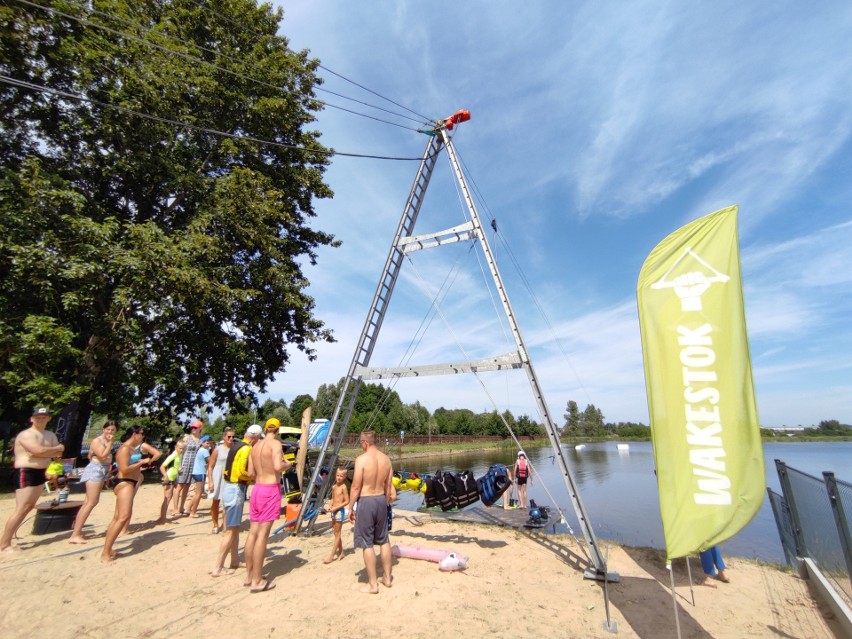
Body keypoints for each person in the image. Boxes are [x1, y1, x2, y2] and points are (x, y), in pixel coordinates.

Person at [1, 407, 64, 552]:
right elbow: (38, 451)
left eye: (44, 416)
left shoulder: (50, 435)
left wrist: (44, 452)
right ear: (32, 419)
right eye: (38, 417)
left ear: (48, 418)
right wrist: (48, 451)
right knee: (21, 508)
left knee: (29, 507)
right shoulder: (26, 435)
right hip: (26, 471)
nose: (41, 419)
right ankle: (4, 543)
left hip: (41, 471)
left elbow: (58, 453)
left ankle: (7, 540)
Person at [243, 419, 291, 593]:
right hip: (270, 489)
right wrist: (289, 464)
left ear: (265, 429)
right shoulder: (275, 444)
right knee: (263, 535)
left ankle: (249, 575)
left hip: (256, 489)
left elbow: (250, 473)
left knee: (253, 533)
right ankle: (257, 580)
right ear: (277, 429)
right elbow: (278, 466)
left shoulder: (255, 446)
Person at [100, 426, 160, 562]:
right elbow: (124, 469)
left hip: (130, 481)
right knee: (123, 517)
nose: (143, 436)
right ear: (134, 434)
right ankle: (105, 553)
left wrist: (144, 462)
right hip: (124, 482)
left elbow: (156, 454)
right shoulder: (125, 449)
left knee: (117, 518)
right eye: (142, 434)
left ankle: (108, 549)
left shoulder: (133, 448)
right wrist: (141, 462)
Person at [211, 424, 261, 578]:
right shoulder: (246, 448)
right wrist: (254, 477)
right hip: (235, 489)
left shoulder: (236, 446)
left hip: (229, 487)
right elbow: (241, 471)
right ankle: (218, 567)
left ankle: (234, 560)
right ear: (254, 436)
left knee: (235, 527)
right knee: (230, 530)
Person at [348, 430, 394, 594]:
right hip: (381, 500)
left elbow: (355, 486)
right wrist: (385, 503)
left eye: (361, 442)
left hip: (366, 500)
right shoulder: (386, 459)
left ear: (365, 442)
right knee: (384, 540)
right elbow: (388, 486)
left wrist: (350, 506)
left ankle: (373, 585)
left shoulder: (361, 460)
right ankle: (387, 578)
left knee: (367, 543)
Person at [69, 420, 118, 543]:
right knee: (91, 502)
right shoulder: (98, 441)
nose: (110, 432)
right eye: (108, 429)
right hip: (95, 469)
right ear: (103, 429)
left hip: (103, 469)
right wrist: (111, 443)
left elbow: (92, 455)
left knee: (89, 502)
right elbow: (101, 455)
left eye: (112, 430)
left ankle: (76, 529)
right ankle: (75, 534)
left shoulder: (106, 442)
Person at [174, 419, 204, 515]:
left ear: (200, 428)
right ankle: (175, 508)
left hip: (193, 465)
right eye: (192, 427)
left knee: (187, 486)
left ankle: (181, 507)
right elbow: (178, 451)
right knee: (179, 486)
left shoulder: (201, 439)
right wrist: (178, 465)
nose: (193, 429)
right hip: (184, 463)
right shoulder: (187, 438)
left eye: (195, 427)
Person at [206, 428, 233, 533]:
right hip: (217, 476)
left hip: (228, 477)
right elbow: (210, 466)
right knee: (216, 501)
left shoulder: (234, 449)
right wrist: (210, 481)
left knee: (227, 502)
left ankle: (225, 525)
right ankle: (215, 524)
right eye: (229, 436)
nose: (231, 439)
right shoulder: (218, 449)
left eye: (232, 437)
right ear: (224, 437)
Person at [324, 468, 350, 563]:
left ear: (345, 477)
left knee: (338, 533)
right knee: (335, 533)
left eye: (341, 476)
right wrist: (330, 506)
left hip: (339, 511)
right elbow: (332, 498)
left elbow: (347, 501)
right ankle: (341, 552)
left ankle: (331, 555)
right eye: (338, 475)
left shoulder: (343, 487)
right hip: (333, 511)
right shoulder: (334, 486)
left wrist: (336, 507)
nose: (339, 477)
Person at [157, 440, 184, 523]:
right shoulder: (173, 455)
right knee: (167, 498)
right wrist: (166, 476)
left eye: (183, 448)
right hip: (168, 478)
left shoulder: (179, 456)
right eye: (180, 448)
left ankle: (162, 517)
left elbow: (174, 467)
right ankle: (163, 518)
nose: (181, 450)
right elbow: (162, 466)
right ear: (176, 448)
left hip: (172, 478)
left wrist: (178, 472)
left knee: (168, 497)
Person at [188, 435, 212, 518]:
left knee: (197, 492)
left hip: (196, 472)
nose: (208, 444)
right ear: (202, 443)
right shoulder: (204, 451)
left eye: (209, 443)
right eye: (207, 443)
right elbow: (210, 461)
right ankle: (193, 512)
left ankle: (188, 508)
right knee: (199, 493)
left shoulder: (200, 450)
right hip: (200, 472)